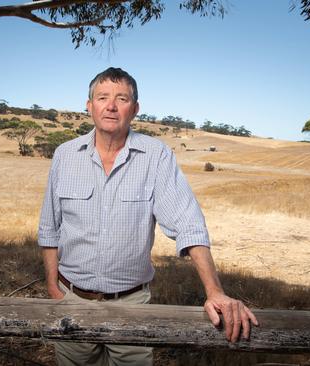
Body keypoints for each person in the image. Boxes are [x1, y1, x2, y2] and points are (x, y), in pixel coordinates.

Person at [38, 67, 258, 366]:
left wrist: (215, 291)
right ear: (89, 106)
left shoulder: (156, 155)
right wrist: (53, 286)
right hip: (71, 298)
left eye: (122, 98)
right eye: (102, 97)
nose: (111, 105)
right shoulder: (65, 154)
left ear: (135, 109)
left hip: (132, 304)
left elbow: (187, 222)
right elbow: (50, 226)